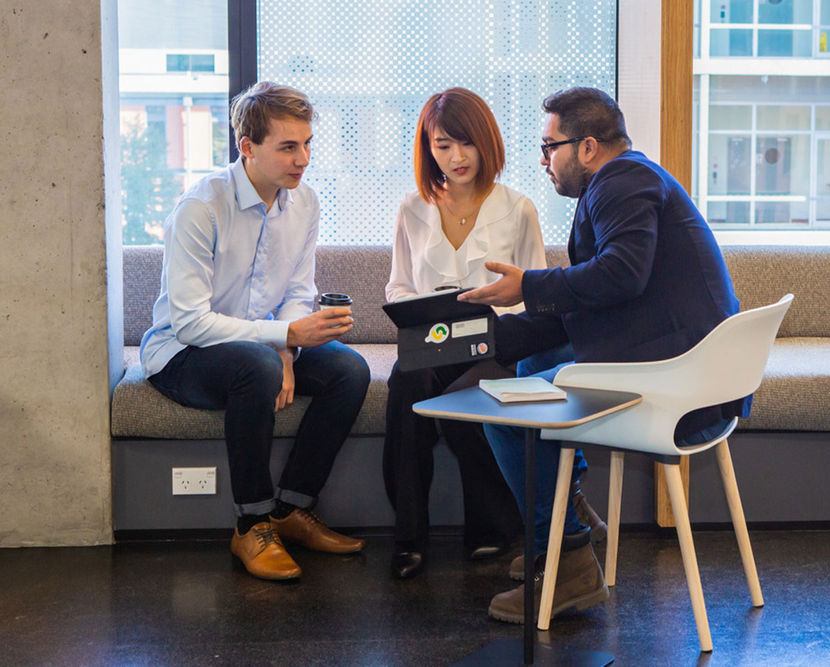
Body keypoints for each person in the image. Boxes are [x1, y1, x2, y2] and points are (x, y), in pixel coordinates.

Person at [459, 87, 746, 623]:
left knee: (504, 414)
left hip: (678, 385)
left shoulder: (622, 181)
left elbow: (620, 274)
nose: (543, 160)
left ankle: (570, 562)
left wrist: (529, 286)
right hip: (684, 362)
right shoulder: (630, 178)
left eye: (549, 147)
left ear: (587, 147)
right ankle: (570, 517)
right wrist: (484, 338)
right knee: (526, 367)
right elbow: (593, 302)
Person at [141, 82, 371, 581]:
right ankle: (251, 523)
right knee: (257, 364)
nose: (303, 159)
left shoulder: (304, 203)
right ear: (247, 146)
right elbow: (191, 322)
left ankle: (291, 510)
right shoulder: (201, 207)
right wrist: (282, 340)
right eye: (288, 147)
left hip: (260, 350)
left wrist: (287, 348)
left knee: (350, 370)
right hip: (181, 353)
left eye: (307, 144)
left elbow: (298, 290)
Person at [382, 87, 561, 579]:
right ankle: (408, 535)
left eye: (466, 143)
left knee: (471, 389)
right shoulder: (412, 208)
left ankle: (491, 526)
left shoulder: (517, 208)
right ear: (428, 149)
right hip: (434, 339)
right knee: (406, 382)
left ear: (486, 143)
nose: (456, 157)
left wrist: (501, 306)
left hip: (495, 340)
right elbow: (398, 284)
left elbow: (534, 293)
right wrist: (415, 309)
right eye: (442, 145)